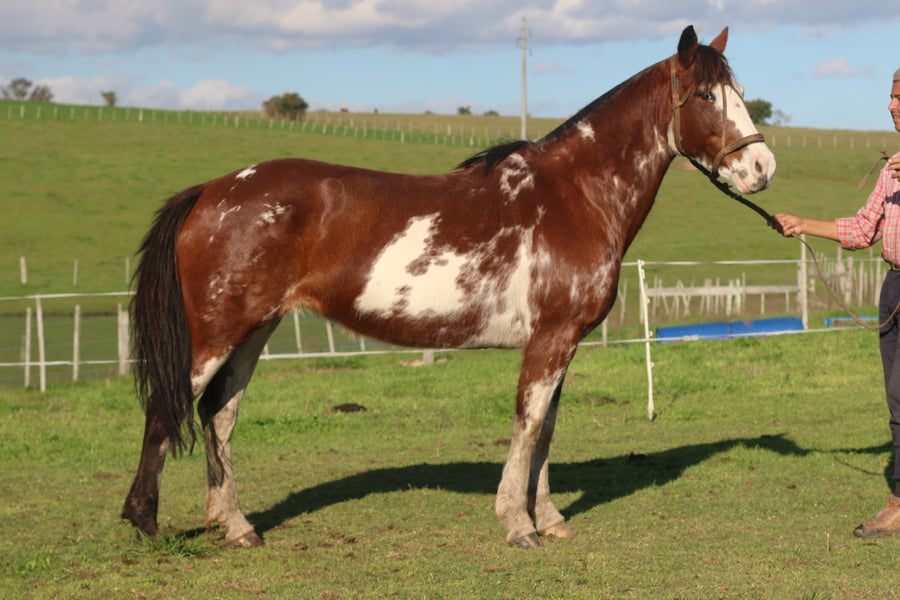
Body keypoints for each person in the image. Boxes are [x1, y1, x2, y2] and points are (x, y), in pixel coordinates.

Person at [773, 68, 900, 538]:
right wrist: (802, 223)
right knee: (899, 398)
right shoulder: (892, 172)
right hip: (895, 291)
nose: (891, 105)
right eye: (890, 97)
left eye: (899, 98)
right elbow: (863, 230)